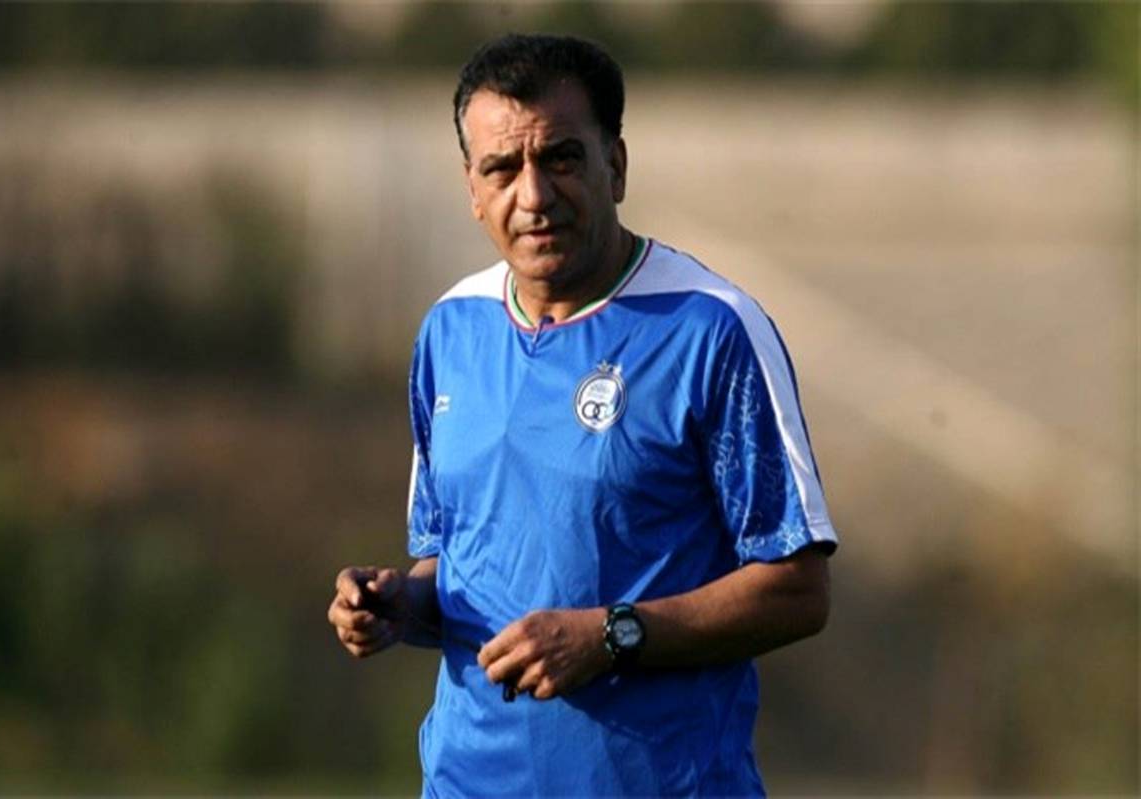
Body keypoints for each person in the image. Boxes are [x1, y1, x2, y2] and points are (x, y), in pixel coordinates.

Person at [328, 33, 838, 797]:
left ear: (616, 166)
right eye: (502, 168)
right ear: (472, 188)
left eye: (561, 158)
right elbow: (456, 563)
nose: (533, 195)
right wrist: (400, 602)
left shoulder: (710, 331)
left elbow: (798, 588)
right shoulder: (451, 330)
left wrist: (610, 635)